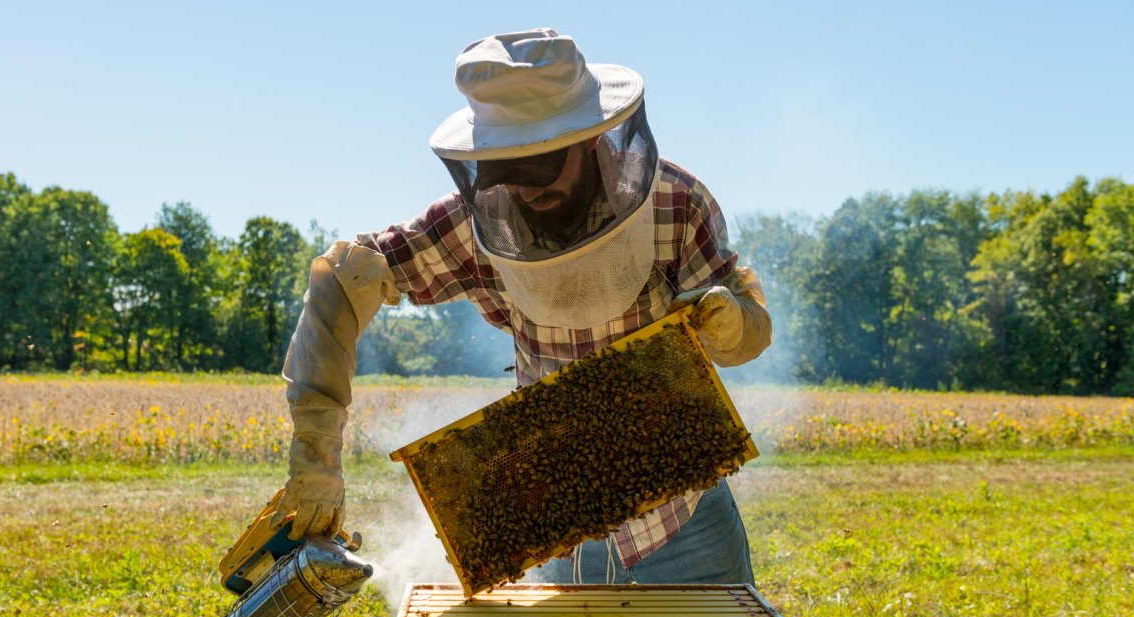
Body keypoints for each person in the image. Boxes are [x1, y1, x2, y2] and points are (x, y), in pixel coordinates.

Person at [275, 28, 772, 587]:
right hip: (558, 517)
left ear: (590, 138)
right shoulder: (474, 223)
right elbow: (347, 280)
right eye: (504, 172)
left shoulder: (678, 203)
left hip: (684, 519)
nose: (525, 192)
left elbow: (749, 331)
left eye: (539, 168)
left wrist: (730, 323)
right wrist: (316, 451)